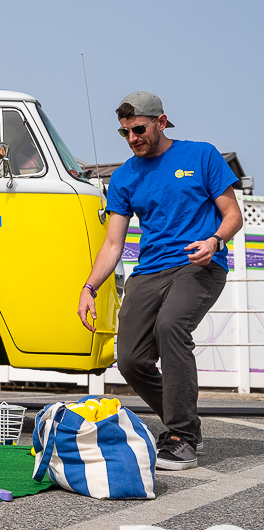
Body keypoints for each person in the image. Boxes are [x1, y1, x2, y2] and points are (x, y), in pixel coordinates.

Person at [78, 92, 242, 470]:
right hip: (150, 271)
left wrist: (215, 239)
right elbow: (113, 243)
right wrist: (89, 288)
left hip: (199, 264)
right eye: (125, 133)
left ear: (161, 122)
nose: (133, 138)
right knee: (131, 359)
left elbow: (232, 214)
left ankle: (181, 435)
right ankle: (182, 425)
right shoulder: (123, 177)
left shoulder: (201, 155)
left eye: (138, 129)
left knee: (171, 326)